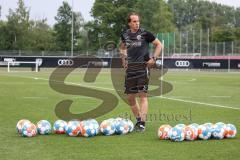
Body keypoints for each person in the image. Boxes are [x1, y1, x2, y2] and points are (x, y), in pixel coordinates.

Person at [119, 12, 162, 132]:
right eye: (134, 21)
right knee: (131, 98)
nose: (137, 23)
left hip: (143, 69)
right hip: (130, 70)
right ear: (129, 23)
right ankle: (138, 120)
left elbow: (159, 45)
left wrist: (154, 59)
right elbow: (122, 48)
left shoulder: (145, 33)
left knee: (143, 96)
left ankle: (142, 123)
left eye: (138, 21)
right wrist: (124, 60)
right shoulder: (125, 35)